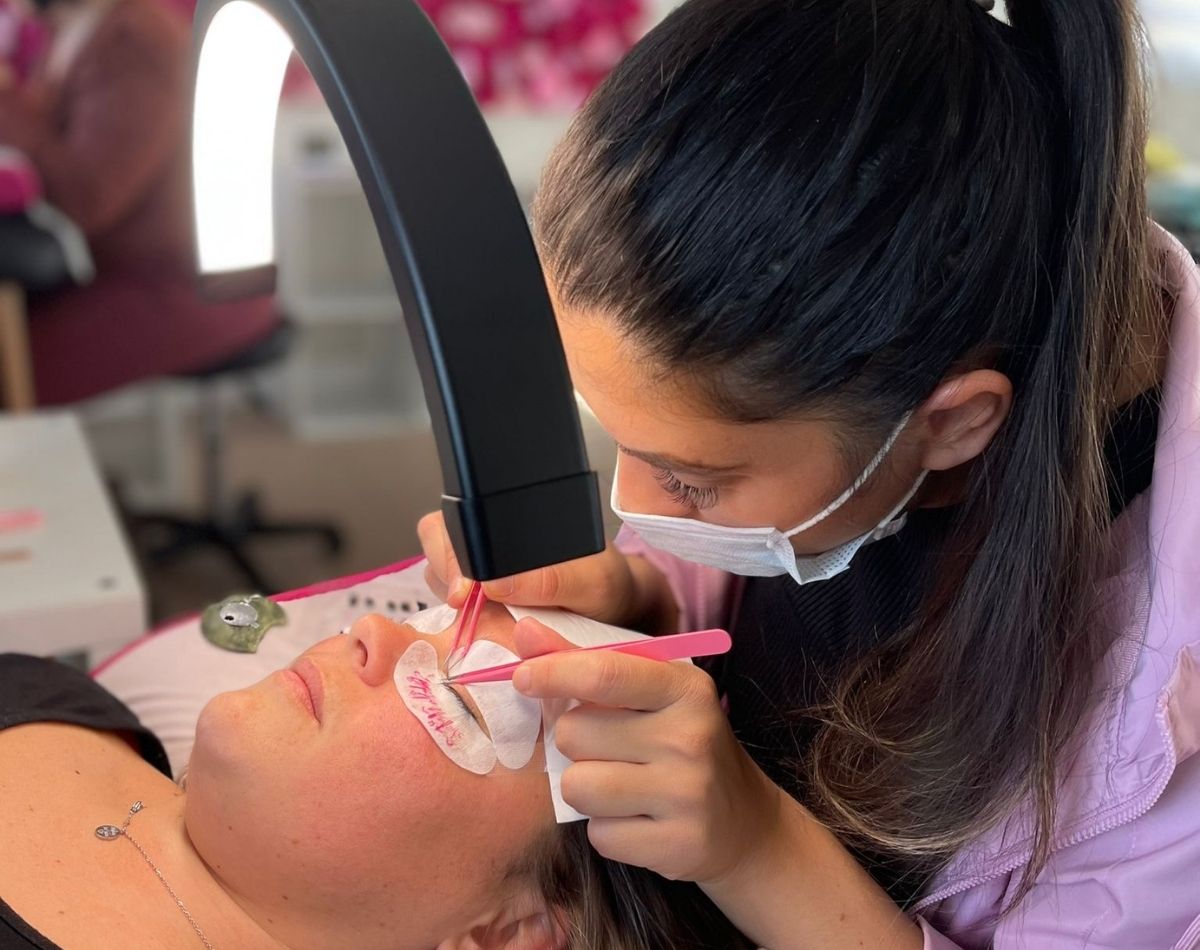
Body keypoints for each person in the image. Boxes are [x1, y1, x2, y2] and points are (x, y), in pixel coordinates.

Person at [417, 0, 1200, 946]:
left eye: (690, 483)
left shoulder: (1168, 700)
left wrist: (757, 852)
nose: (633, 503)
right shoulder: (827, 407)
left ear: (954, 424)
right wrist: (647, 598)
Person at [0, 604, 752, 949]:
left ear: (509, 936)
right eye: (423, 619)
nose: (370, 631)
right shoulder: (62, 699)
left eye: (455, 697)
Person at [0, 0, 278, 404]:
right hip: (117, 271)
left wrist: (6, 98)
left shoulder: (136, 41)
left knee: (9, 372)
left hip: (185, 290)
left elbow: (87, 196)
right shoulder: (69, 32)